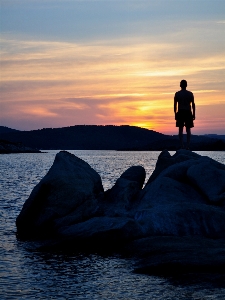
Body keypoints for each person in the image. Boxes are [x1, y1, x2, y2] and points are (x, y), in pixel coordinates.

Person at [174, 80, 195, 149]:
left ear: (180, 85)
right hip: (188, 112)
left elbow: (175, 106)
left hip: (180, 112)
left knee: (180, 129)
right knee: (188, 129)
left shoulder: (177, 94)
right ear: (186, 85)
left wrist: (175, 114)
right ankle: (188, 145)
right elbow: (193, 105)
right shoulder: (190, 94)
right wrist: (194, 114)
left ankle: (181, 145)